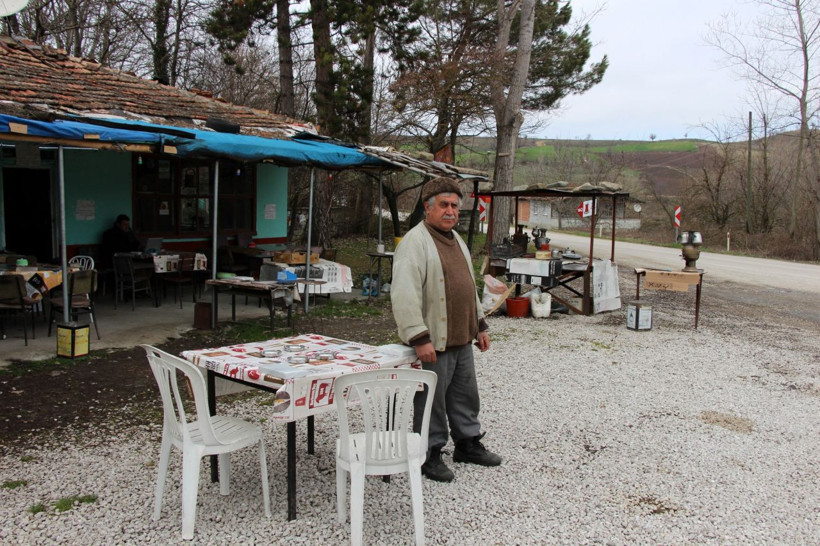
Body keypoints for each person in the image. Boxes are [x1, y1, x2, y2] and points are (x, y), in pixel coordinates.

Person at [390, 176, 502, 482]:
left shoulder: (457, 240)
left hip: (462, 340)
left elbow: (468, 287)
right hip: (434, 342)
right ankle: (429, 453)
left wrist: (479, 325)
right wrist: (418, 336)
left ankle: (467, 443)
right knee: (431, 402)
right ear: (428, 207)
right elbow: (404, 293)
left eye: (454, 205)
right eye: (443, 205)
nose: (450, 210)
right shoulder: (415, 242)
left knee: (466, 397)